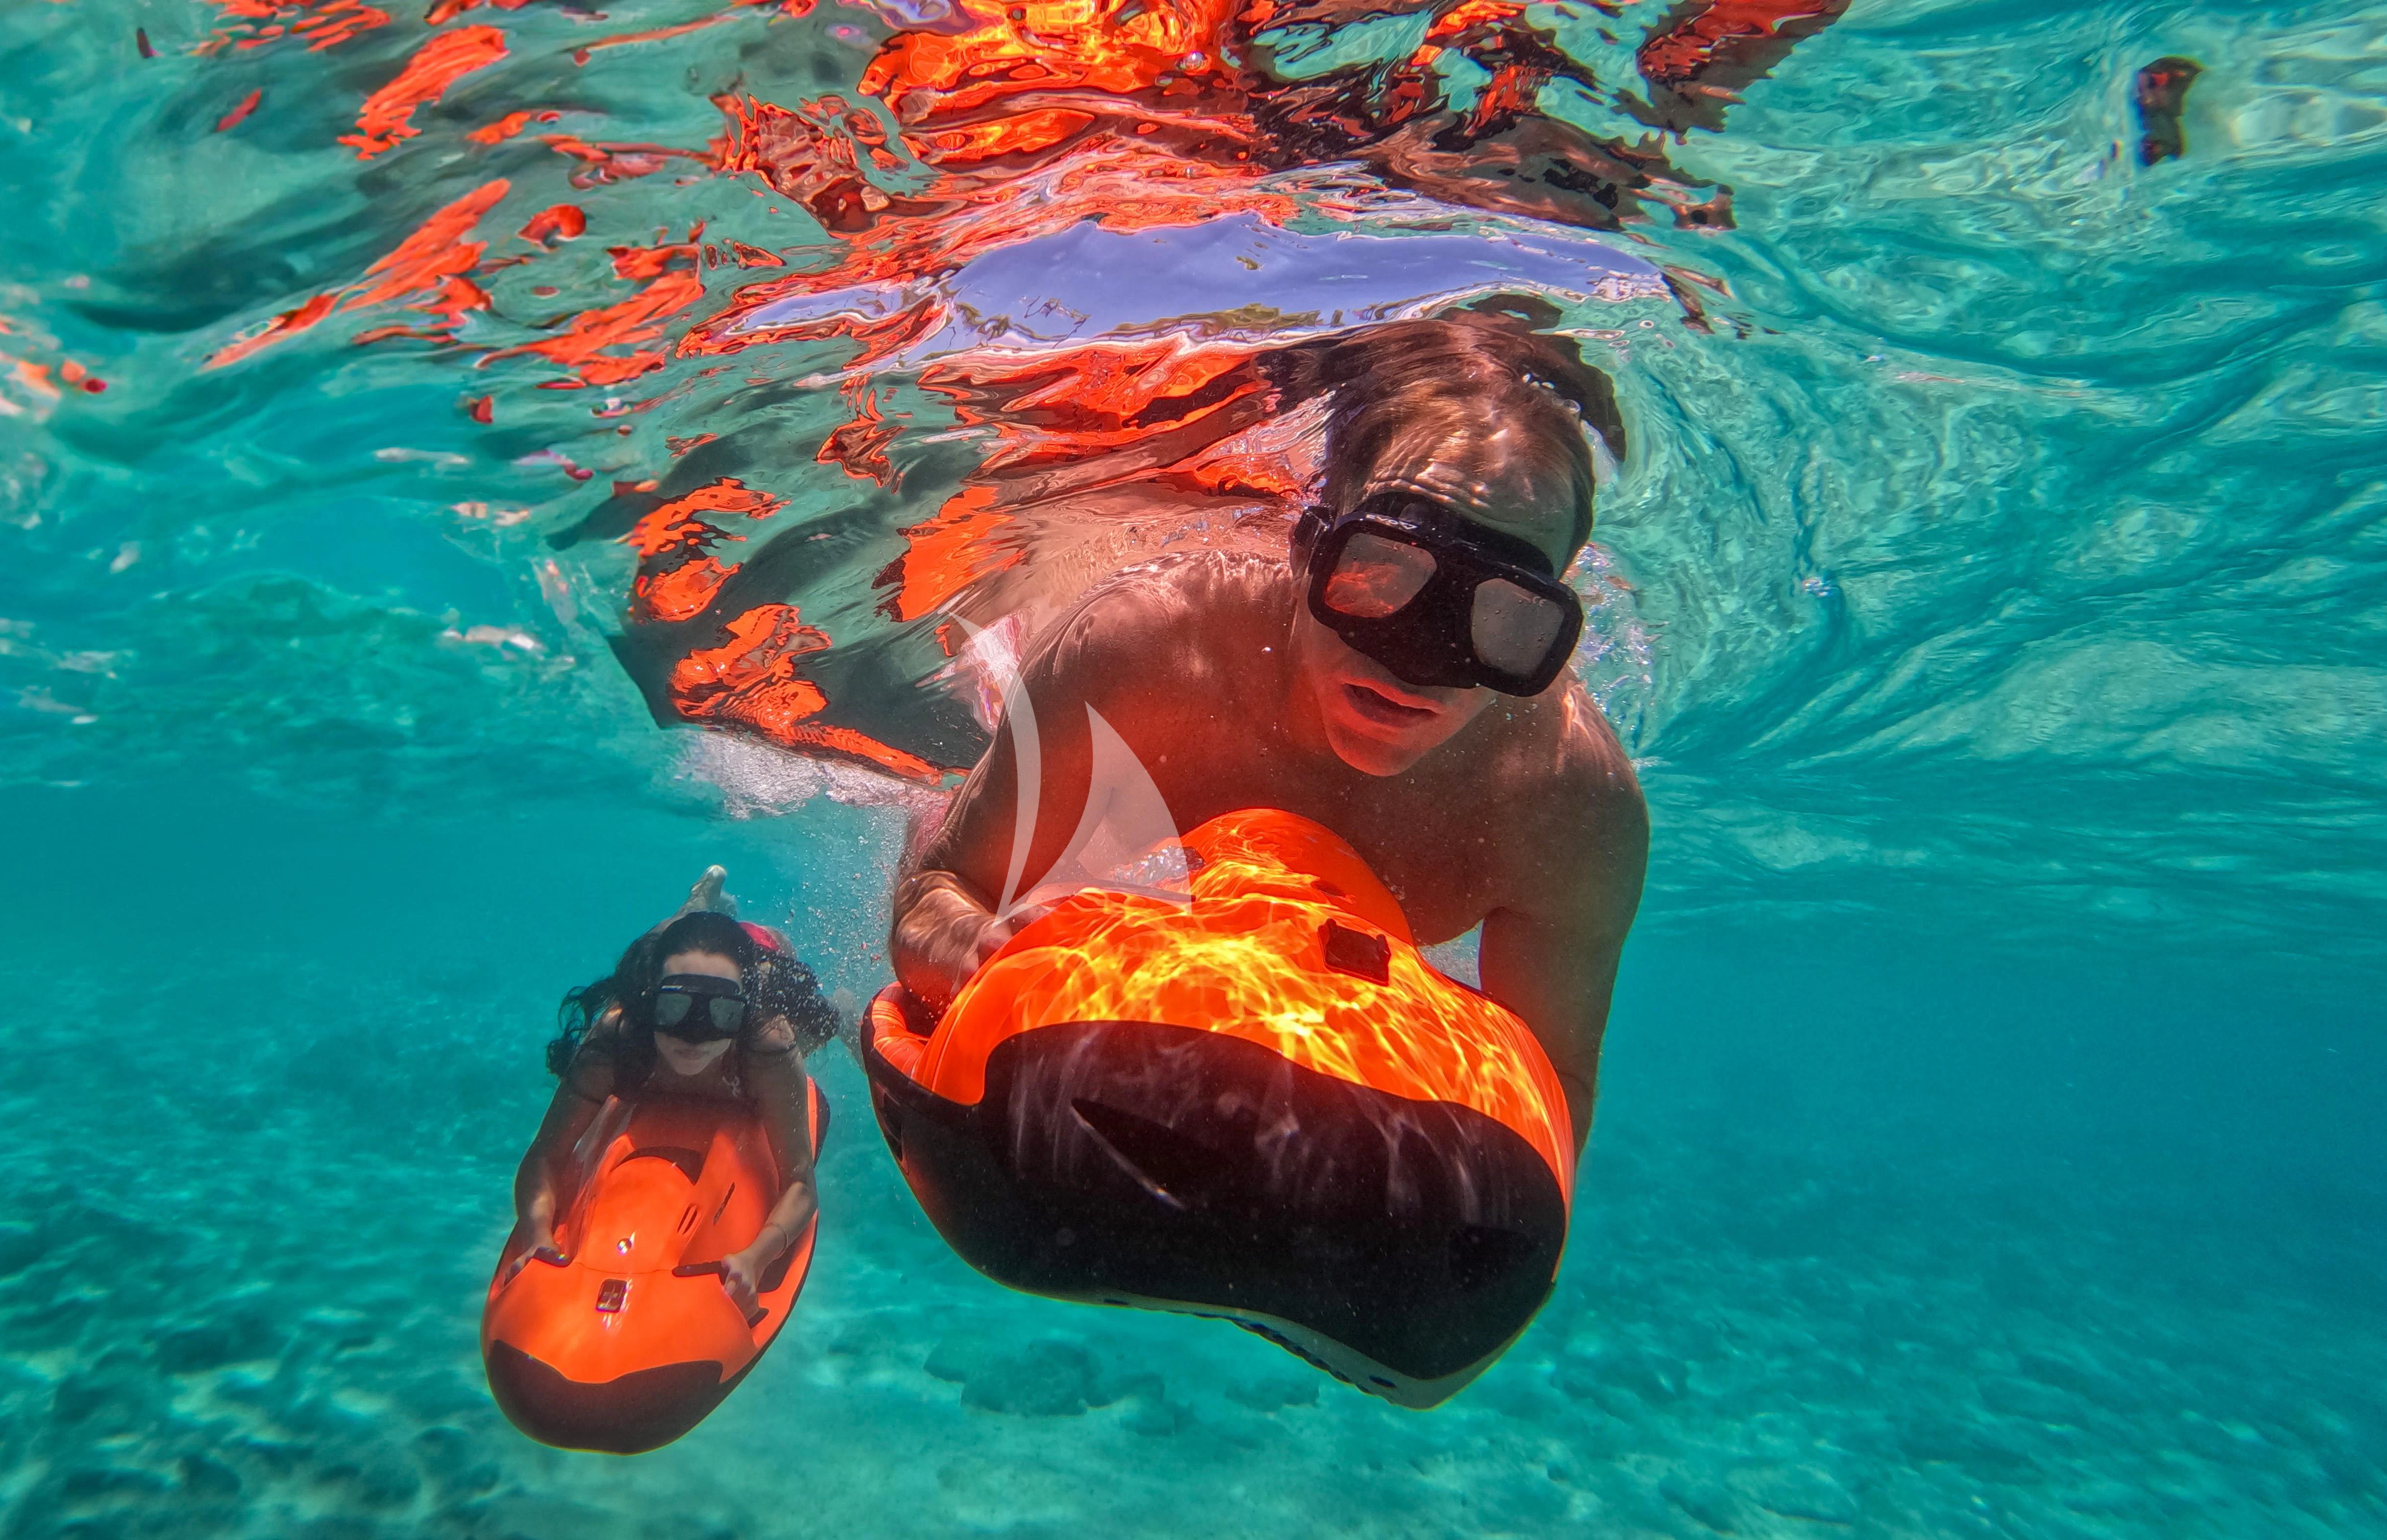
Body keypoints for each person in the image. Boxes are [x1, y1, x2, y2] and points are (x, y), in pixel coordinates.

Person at [891, 313, 1648, 1152]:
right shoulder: (1144, 652)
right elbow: (941, 890)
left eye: (1506, 618)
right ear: (1306, 552)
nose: (1418, 665)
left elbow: (1550, 1092)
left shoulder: (1568, 802)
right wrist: (986, 956)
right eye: (1382, 571)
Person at [508, 871, 838, 1311]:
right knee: (667, 937)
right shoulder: (622, 1039)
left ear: (741, 1014)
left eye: (720, 1014)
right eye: (675, 1008)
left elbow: (800, 1182)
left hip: (759, 967)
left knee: (817, 1018)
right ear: (650, 1006)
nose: (694, 1036)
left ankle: (846, 1008)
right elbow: (545, 1156)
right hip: (682, 963)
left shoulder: (764, 1045)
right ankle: (698, 902)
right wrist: (538, 1240)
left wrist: (756, 1258)